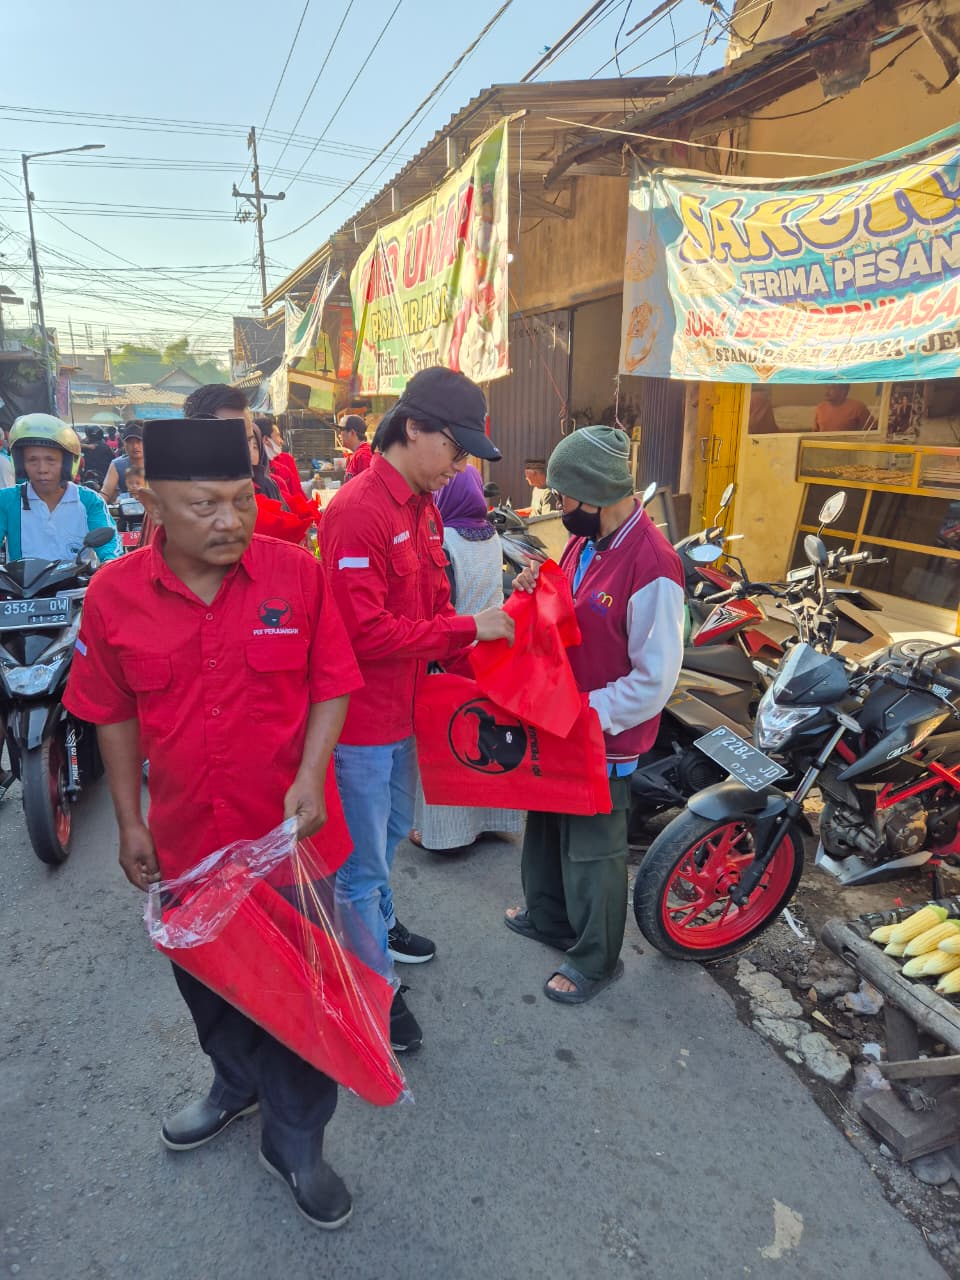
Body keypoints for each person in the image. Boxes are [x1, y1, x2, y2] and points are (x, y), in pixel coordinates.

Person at [62, 416, 363, 1229]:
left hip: (291, 841)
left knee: (301, 998)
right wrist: (129, 822)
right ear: (153, 503)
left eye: (242, 499)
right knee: (209, 985)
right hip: (188, 841)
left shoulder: (295, 574)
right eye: (205, 505)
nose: (231, 520)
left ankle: (296, 1139)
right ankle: (235, 1084)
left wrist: (311, 774)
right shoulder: (115, 594)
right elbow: (111, 713)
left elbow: (334, 679)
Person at [320, 367, 514, 1052]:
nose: (461, 467)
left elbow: (431, 603)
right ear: (412, 428)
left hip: (408, 715)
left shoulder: (424, 507)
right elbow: (364, 631)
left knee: (395, 834)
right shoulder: (358, 510)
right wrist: (469, 629)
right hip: (361, 724)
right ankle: (371, 989)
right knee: (359, 866)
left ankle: (379, 926)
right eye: (456, 449)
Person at [505, 426, 684, 1005]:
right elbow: (572, 604)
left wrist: (584, 711)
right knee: (546, 824)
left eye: (564, 496)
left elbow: (654, 681)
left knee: (593, 848)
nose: (559, 507)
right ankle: (549, 917)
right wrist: (537, 584)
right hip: (562, 717)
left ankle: (596, 958)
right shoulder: (587, 541)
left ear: (595, 493)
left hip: (602, 731)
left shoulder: (653, 565)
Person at [410, 465, 524, 853]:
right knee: (488, 741)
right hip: (490, 653)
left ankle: (445, 834)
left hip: (455, 650)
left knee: (452, 743)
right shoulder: (492, 537)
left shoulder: (443, 541)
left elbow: (444, 605)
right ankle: (492, 823)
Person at [0, 414, 120, 562]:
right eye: (32, 460)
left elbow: (110, 545)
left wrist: (109, 560)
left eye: (50, 460)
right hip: (21, 577)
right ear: (20, 463)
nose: (42, 469)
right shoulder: (6, 500)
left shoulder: (89, 500)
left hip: (79, 577)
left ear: (66, 463)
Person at [101, 422, 145, 501]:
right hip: (127, 506)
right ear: (124, 445)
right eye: (130, 442)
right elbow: (106, 492)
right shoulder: (117, 464)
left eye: (138, 441)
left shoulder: (157, 462)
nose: (135, 446)